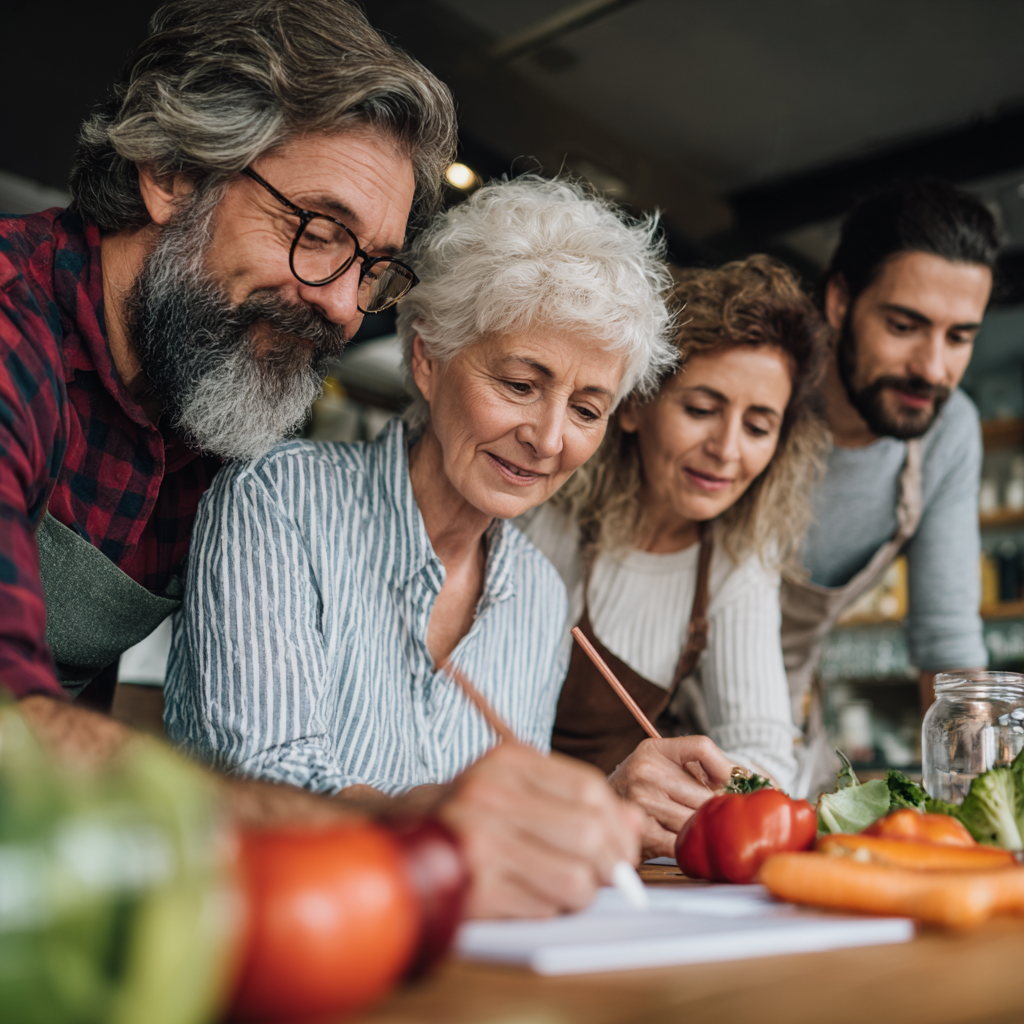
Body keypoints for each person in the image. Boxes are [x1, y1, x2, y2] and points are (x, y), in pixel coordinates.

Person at [0, 0, 639, 920]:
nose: (343, 308)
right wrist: (407, 832)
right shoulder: (14, 335)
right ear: (173, 173)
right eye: (319, 231)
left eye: (371, 266)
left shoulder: (206, 418)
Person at [165, 175, 675, 915]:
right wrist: (447, 820)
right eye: (520, 383)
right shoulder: (279, 501)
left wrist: (597, 808)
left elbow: (501, 849)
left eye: (588, 408)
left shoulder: (537, 594)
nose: (550, 438)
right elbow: (265, 789)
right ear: (429, 359)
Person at [521, 255, 828, 859]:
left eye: (759, 425)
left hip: (613, 861)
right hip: (514, 838)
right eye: (701, 409)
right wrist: (606, 798)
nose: (726, 450)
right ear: (633, 406)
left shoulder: (738, 563)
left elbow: (764, 761)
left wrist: (694, 799)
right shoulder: (544, 513)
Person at [781, 180, 999, 796]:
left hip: (784, 724)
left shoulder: (948, 431)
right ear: (839, 299)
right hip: (639, 702)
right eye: (905, 325)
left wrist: (979, 806)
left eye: (959, 337)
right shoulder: (759, 395)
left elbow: (948, 642)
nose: (933, 368)